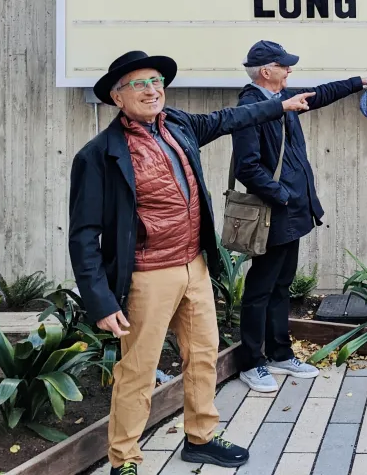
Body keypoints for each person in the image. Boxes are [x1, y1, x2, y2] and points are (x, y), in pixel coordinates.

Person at [68, 50, 315, 475]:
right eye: (139, 84)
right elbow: (84, 234)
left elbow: (227, 119)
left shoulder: (179, 126)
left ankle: (200, 437)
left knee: (204, 354)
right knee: (138, 371)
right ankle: (123, 459)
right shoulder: (98, 155)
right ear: (116, 96)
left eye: (156, 81)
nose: (152, 90)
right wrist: (102, 301)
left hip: (193, 265)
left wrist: (280, 104)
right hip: (147, 274)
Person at [232, 40, 367, 392]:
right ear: (266, 71)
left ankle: (278, 353)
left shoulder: (280, 101)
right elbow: (248, 167)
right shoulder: (250, 106)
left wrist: (362, 80)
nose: (290, 70)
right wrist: (281, 195)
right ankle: (251, 362)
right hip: (275, 212)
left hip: (293, 211)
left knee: (281, 286)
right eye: (284, 65)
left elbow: (319, 94)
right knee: (260, 289)